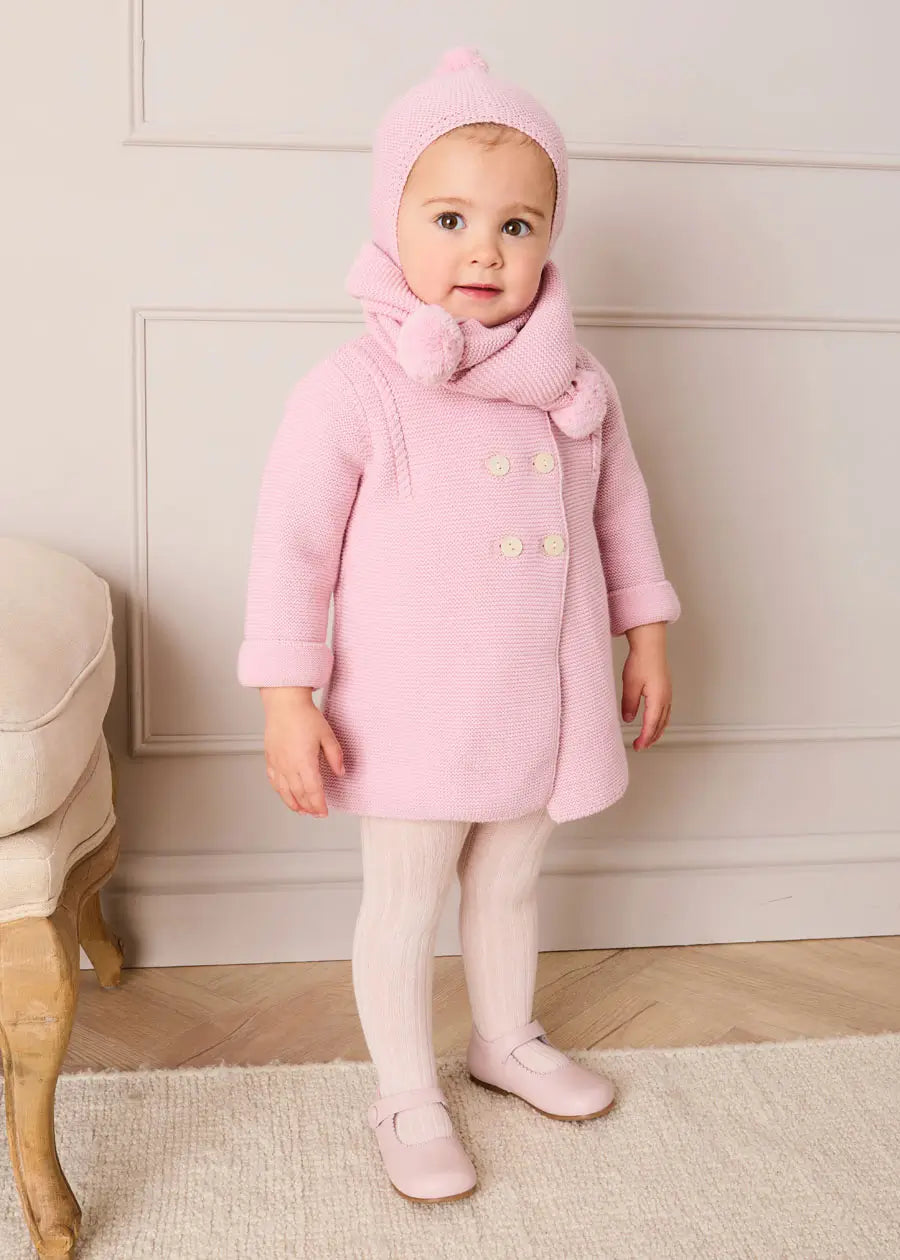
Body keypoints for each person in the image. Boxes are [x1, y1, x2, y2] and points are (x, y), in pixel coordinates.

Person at [237, 45, 681, 1204]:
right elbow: (291, 548)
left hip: (545, 686)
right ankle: (404, 1090)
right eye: (449, 219)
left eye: (517, 225)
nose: (484, 250)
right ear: (392, 224)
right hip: (414, 702)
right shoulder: (356, 386)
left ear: (549, 239)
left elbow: (622, 514)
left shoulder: (575, 382)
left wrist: (645, 632)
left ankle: (504, 1038)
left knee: (513, 875)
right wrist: (287, 697)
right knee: (409, 890)